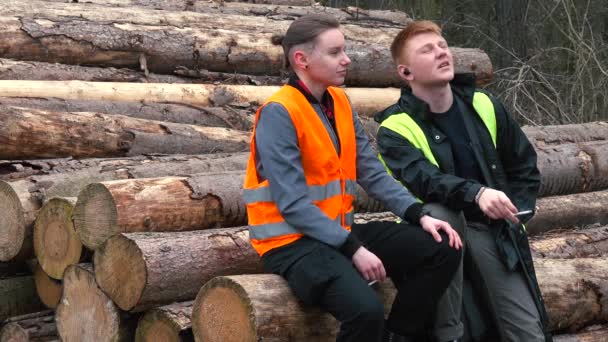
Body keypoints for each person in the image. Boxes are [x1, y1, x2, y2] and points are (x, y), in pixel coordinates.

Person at [242, 14, 463, 342]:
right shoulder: (280, 112)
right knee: (365, 310)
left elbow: (372, 172)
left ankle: (399, 336)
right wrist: (353, 249)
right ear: (302, 59)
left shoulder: (339, 103)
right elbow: (292, 203)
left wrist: (418, 214)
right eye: (335, 52)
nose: (346, 60)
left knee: (442, 248)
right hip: (291, 245)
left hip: (336, 233)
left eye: (344, 50)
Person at [374, 20, 552, 342]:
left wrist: (519, 216)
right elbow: (426, 182)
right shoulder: (394, 128)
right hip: (435, 235)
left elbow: (523, 165)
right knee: (442, 214)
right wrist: (477, 193)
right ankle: (449, 335)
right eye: (427, 50)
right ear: (406, 73)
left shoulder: (483, 104)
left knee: (528, 333)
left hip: (492, 231)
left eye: (442, 46)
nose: (441, 53)